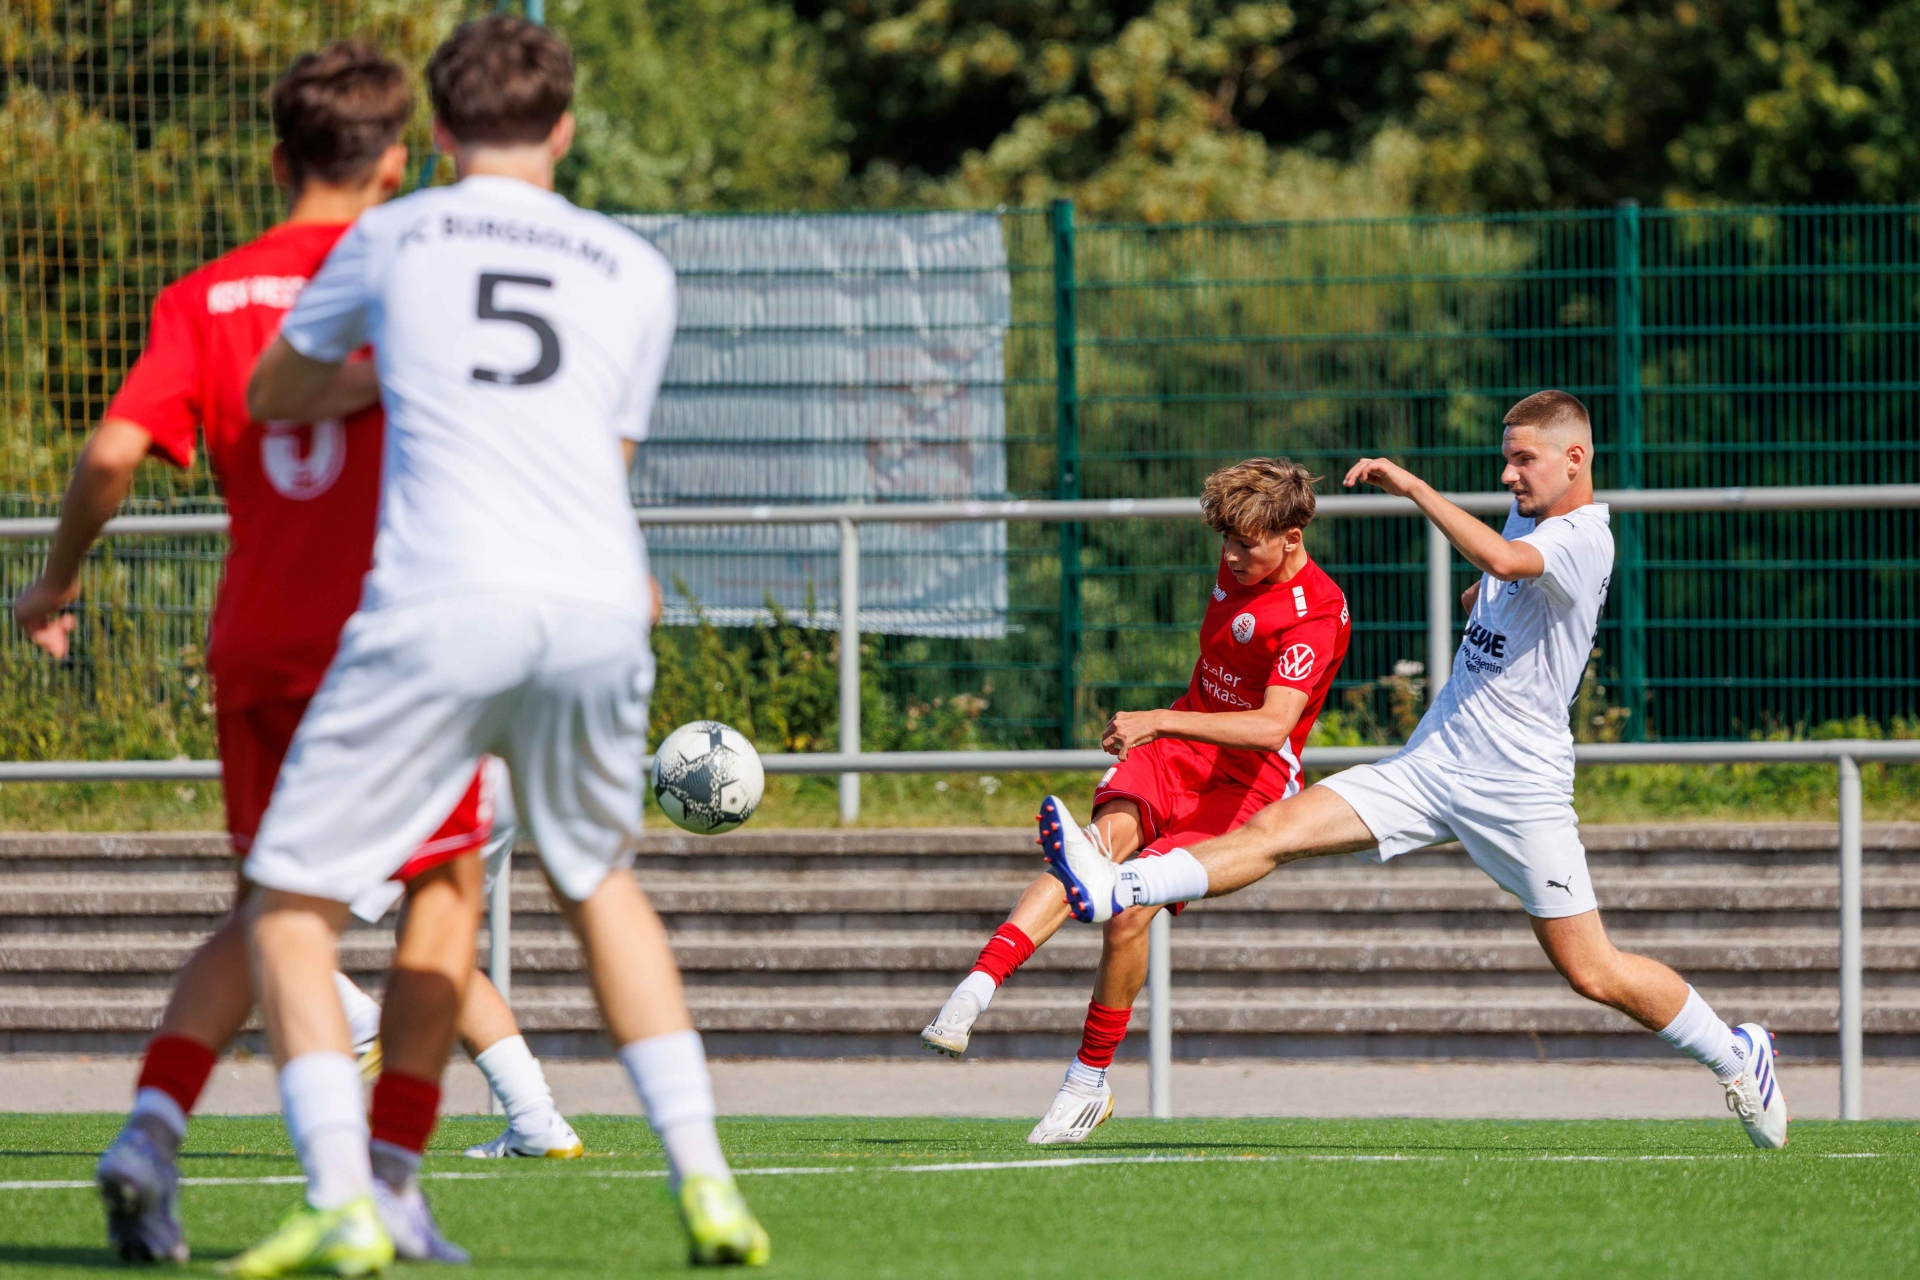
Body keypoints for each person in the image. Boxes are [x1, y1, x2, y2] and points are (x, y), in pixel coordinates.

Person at [9, 43, 580, 1266]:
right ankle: (389, 1175)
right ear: (400, 161)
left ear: (277, 161)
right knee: (444, 892)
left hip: (258, 641)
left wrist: (55, 581)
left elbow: (110, 453)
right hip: (401, 641)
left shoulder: (204, 298)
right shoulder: (423, 276)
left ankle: (154, 1127)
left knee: (272, 910)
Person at [232, 15, 769, 1274]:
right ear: (564, 129)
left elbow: (273, 393)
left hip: (442, 596)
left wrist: (389, 380)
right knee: (602, 887)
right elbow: (605, 457)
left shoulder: (394, 234)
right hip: (594, 601)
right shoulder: (635, 268)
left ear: (437, 129)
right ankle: (705, 1179)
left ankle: (346, 1194)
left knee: (286, 901)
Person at [1041, 390, 1789, 1150]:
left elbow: (1503, 561)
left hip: (1519, 788)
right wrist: (1487, 599)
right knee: (1276, 830)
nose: (1508, 475)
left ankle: (1737, 1055)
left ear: (1576, 458)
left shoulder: (1585, 535)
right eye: (1505, 458)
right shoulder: (1531, 517)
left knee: (1593, 972)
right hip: (1434, 763)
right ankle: (1120, 886)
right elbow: (1502, 577)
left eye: (1523, 459)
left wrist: (1412, 486)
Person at [922, 458, 1351, 1144]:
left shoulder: (1315, 614)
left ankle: (1087, 1082)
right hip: (1179, 750)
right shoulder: (1242, 563)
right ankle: (974, 991)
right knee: (1093, 851)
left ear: (1292, 537)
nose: (1230, 557)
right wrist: (1169, 727)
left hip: (1249, 783)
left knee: (1128, 914)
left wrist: (1157, 719)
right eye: (1225, 541)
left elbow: (1273, 726)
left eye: (1246, 544)